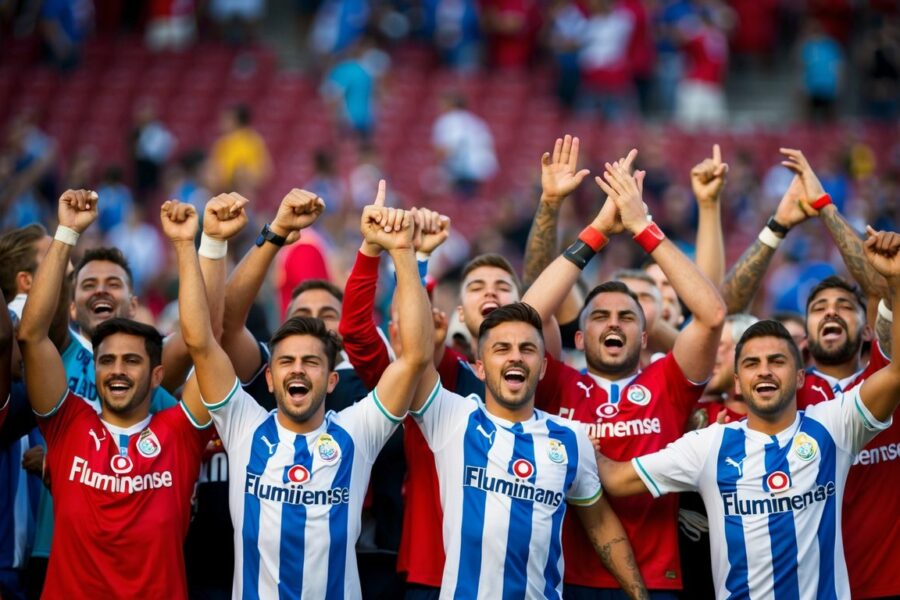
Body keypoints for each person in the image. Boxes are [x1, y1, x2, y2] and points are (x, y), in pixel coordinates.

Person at [172, 180, 435, 597]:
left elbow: (417, 357)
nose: (298, 370)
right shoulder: (243, 424)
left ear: (332, 377)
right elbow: (203, 338)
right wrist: (208, 245)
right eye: (287, 361)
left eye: (311, 361)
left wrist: (401, 251)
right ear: (270, 376)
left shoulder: (356, 431)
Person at [597, 239, 900, 598]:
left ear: (802, 375)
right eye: (752, 364)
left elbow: (896, 374)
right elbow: (617, 480)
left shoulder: (833, 426)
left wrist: (895, 284)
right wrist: (582, 443)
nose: (765, 372)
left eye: (778, 361)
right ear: (737, 381)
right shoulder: (710, 444)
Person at [522, 151, 726, 598]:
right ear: (578, 337)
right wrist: (595, 234)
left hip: (656, 583)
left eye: (626, 316)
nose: (614, 323)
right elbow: (525, 320)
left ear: (646, 333)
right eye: (600, 316)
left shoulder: (667, 381)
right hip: (566, 581)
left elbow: (711, 315)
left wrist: (642, 227)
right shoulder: (557, 382)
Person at [16, 189, 212, 598]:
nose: (117, 370)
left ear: (158, 375)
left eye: (132, 361)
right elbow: (31, 336)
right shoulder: (68, 425)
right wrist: (66, 232)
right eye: (107, 361)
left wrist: (188, 245)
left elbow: (205, 342)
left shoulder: (179, 432)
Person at [721, 149, 897, 598]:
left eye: (845, 307)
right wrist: (776, 226)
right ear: (801, 339)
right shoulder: (785, 392)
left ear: (866, 330)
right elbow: (723, 312)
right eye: (819, 308)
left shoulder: (885, 373)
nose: (831, 313)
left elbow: (880, 284)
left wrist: (824, 207)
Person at [407, 302, 647, 599]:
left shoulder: (572, 437)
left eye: (527, 349)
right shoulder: (453, 418)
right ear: (480, 367)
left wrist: (639, 595)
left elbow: (599, 523)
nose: (516, 357)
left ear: (544, 366)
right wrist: (410, 260)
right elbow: (414, 357)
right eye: (502, 348)